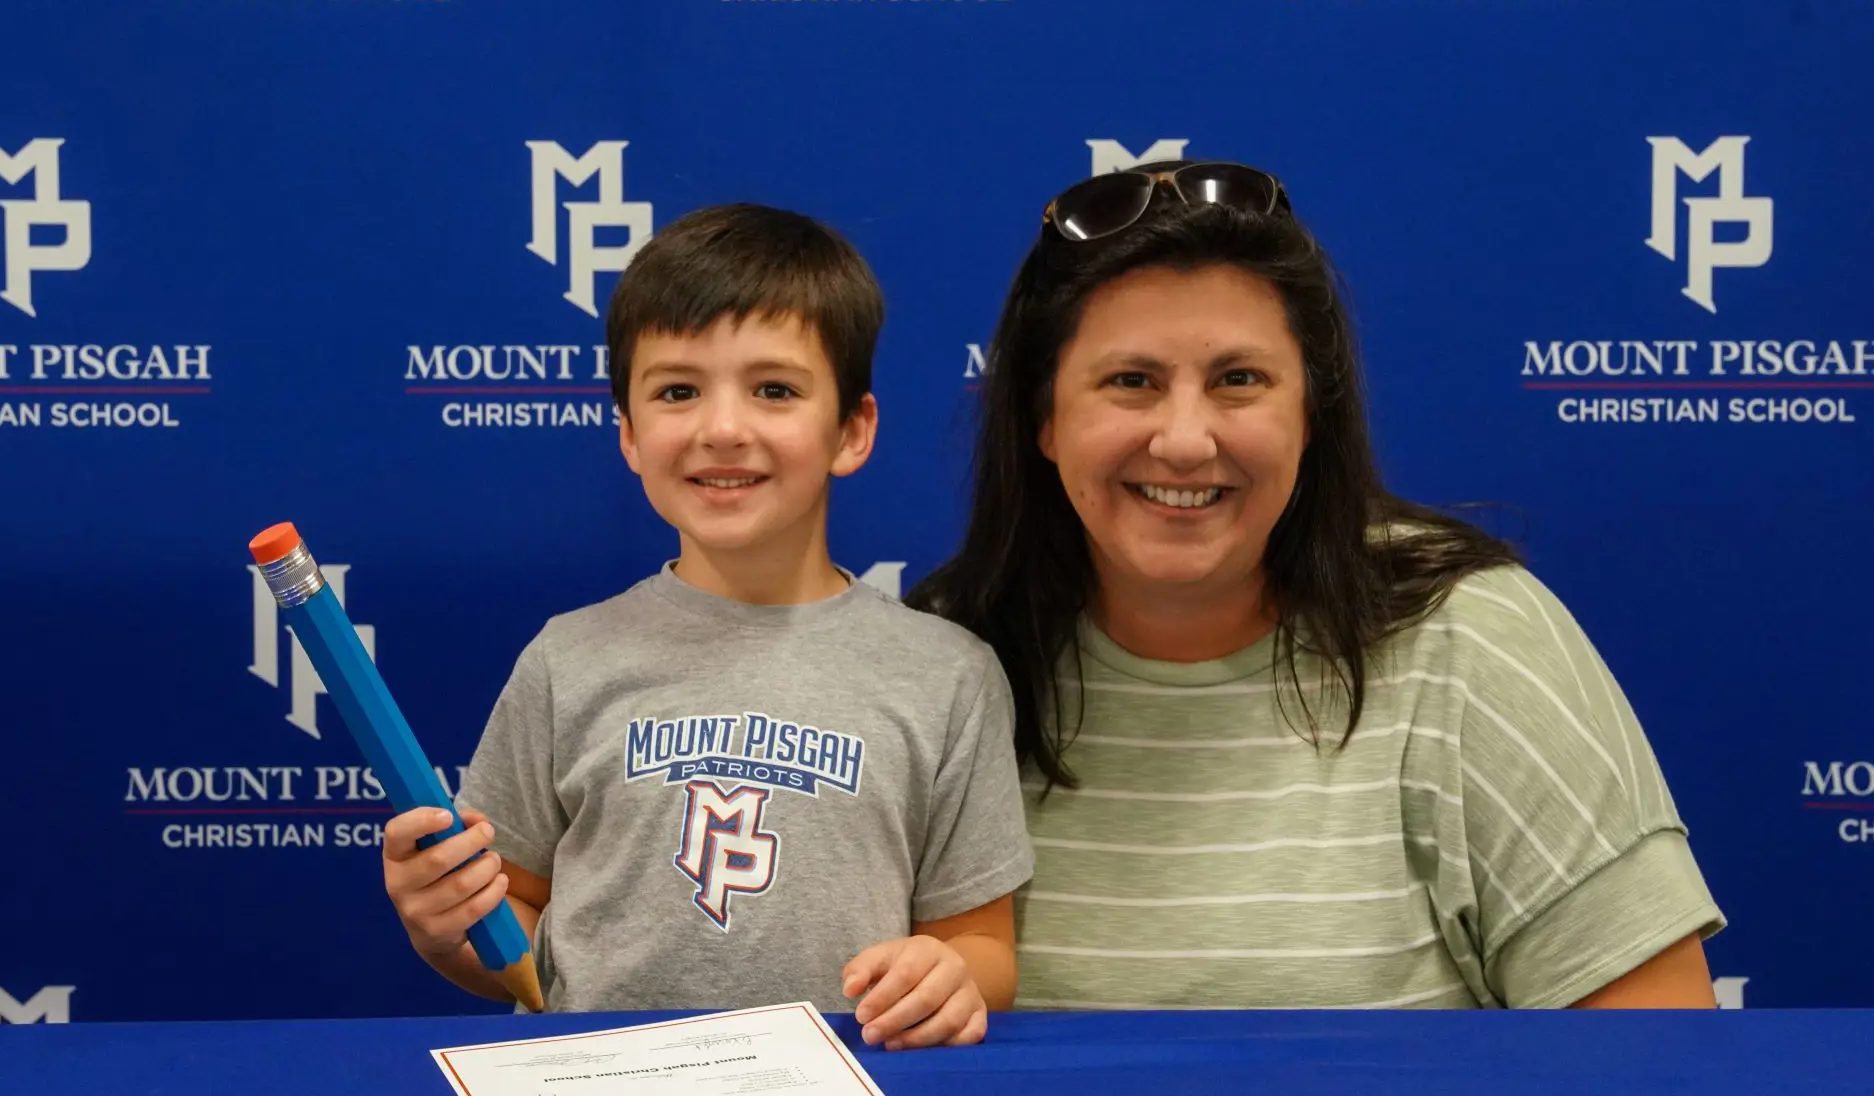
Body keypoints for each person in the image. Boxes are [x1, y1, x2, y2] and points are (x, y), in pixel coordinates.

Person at [912, 162, 1723, 1010]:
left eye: (1239, 380)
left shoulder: (1473, 639)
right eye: (1131, 382)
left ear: (1311, 414)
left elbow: (1656, 1073)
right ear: (1044, 418)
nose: (1185, 441)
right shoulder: (940, 670)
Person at [381, 204, 1034, 1048]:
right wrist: (445, 926)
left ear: (852, 429)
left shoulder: (948, 675)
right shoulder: (565, 660)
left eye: (774, 390)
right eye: (678, 391)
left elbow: (980, 945)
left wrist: (950, 979)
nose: (723, 429)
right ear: (628, 434)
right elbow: (514, 938)